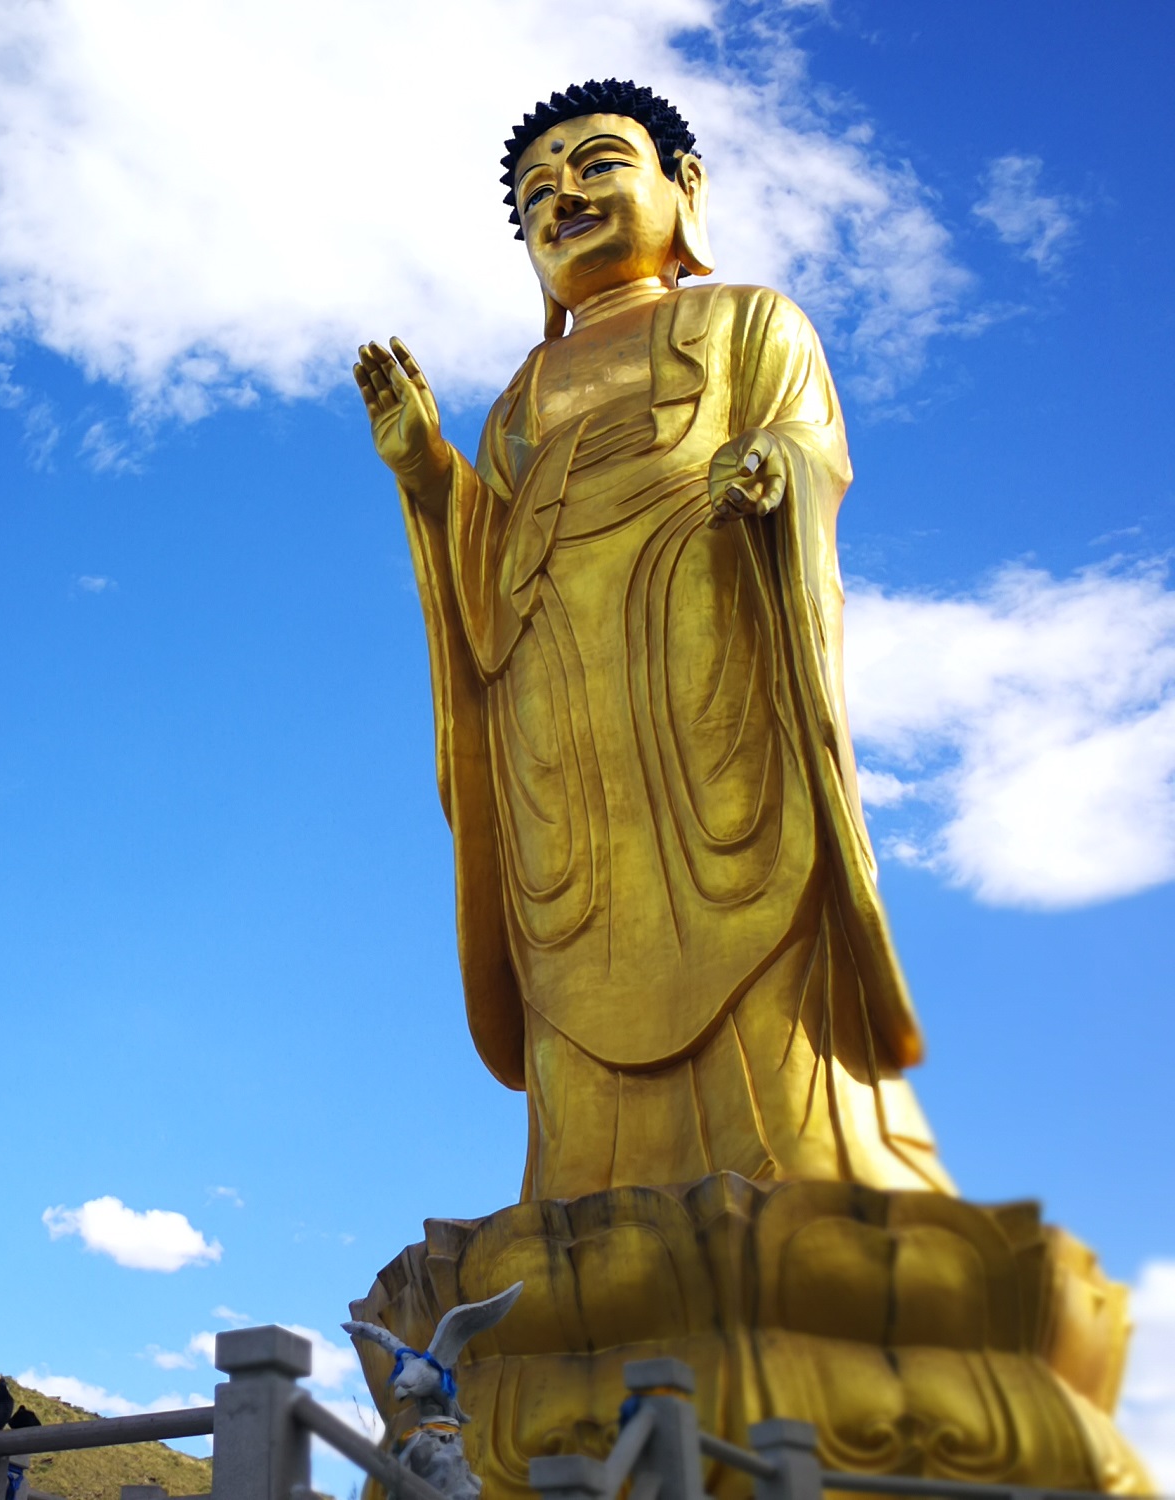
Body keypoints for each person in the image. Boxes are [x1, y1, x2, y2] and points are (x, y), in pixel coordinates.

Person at [355, 79, 951, 1201]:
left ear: (684, 187)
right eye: (534, 193)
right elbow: (486, 580)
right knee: (574, 950)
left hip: (710, 692)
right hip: (563, 736)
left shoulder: (743, 322)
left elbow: (809, 439)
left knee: (755, 916)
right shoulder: (519, 401)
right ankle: (579, 1196)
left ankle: (812, 1178)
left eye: (594, 167)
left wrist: (775, 462)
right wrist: (429, 471)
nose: (560, 199)